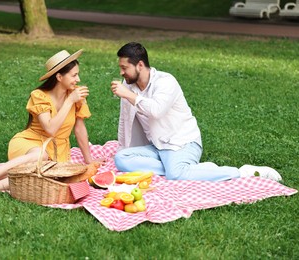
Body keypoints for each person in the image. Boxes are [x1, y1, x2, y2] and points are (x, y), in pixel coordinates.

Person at [110, 42, 282, 182]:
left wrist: (129, 95)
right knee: (121, 159)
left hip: (182, 143)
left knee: (175, 175)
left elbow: (156, 110)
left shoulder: (165, 82)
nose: (121, 72)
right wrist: (125, 147)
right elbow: (125, 120)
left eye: (125, 68)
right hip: (156, 146)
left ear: (140, 65)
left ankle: (241, 172)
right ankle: (175, 166)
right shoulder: (129, 86)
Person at [0, 49, 101, 199]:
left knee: (41, 176)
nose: (78, 79)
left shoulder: (76, 96)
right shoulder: (40, 96)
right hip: (29, 143)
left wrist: (88, 160)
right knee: (39, 156)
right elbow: (50, 129)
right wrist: (69, 101)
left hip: (57, 153)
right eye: (74, 75)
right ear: (59, 77)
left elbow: (80, 129)